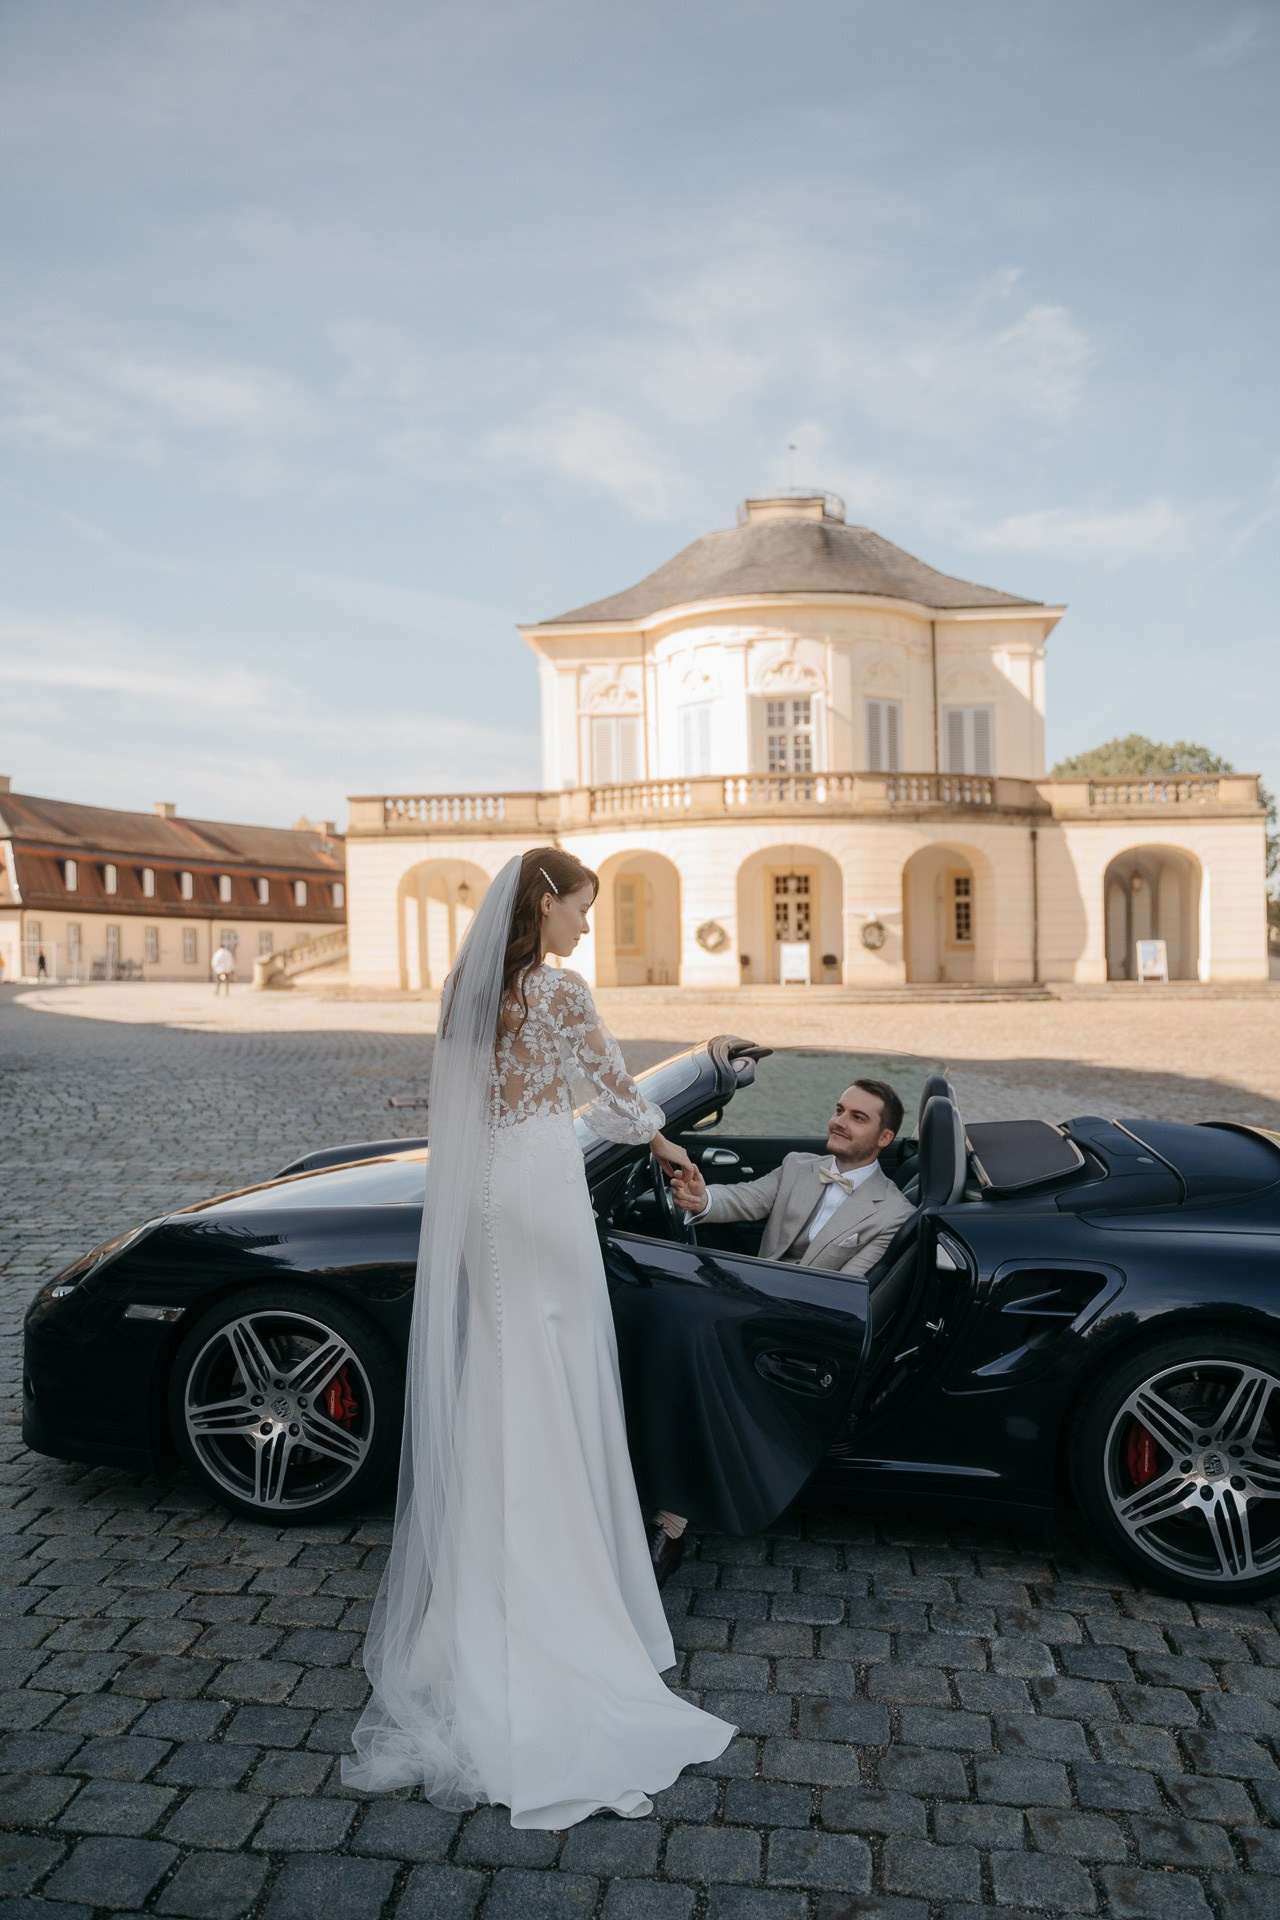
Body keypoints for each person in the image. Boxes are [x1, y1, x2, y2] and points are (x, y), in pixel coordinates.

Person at [344, 847, 734, 1827]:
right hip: (542, 1186)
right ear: (547, 902)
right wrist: (665, 1139)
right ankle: (560, 1609)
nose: (586, 928)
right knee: (555, 1376)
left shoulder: (467, 994)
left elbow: (465, 1105)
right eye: (581, 909)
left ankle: (473, 1609)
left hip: (484, 1195)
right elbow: (610, 1091)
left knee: (505, 1381)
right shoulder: (557, 991)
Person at [649, 1078, 914, 1583]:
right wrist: (701, 1199)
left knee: (695, 1340)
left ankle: (670, 1521)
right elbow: (744, 1200)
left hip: (802, 1327)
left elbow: (843, 1290)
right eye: (839, 1109)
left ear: (884, 1138)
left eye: (858, 1117)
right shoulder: (797, 1166)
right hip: (751, 1303)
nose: (839, 1120)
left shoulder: (893, 1211)